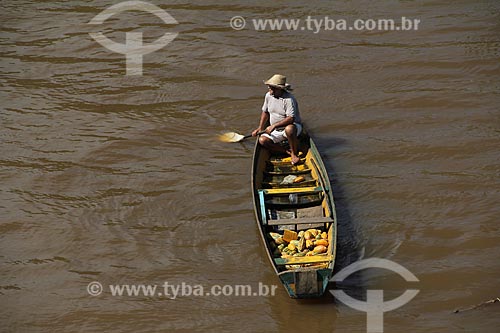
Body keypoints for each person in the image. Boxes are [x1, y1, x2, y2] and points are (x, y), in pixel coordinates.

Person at [252, 74, 302, 165]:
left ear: (279, 89)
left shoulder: (289, 99)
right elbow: (265, 112)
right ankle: (287, 152)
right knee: (262, 140)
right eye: (269, 87)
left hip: (292, 128)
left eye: (272, 88)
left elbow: (291, 119)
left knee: (289, 129)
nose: (269, 89)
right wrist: (260, 128)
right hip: (276, 130)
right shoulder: (268, 96)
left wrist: (273, 126)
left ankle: (294, 154)